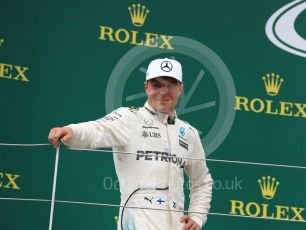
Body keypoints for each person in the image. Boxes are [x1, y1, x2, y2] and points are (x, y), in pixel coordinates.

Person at [48, 58, 213, 230]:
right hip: (136, 222)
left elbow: (202, 181)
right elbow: (98, 129)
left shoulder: (189, 133)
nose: (164, 92)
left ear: (181, 89)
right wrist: (71, 131)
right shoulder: (129, 118)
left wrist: (197, 216)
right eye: (156, 85)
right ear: (146, 87)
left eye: (171, 85)